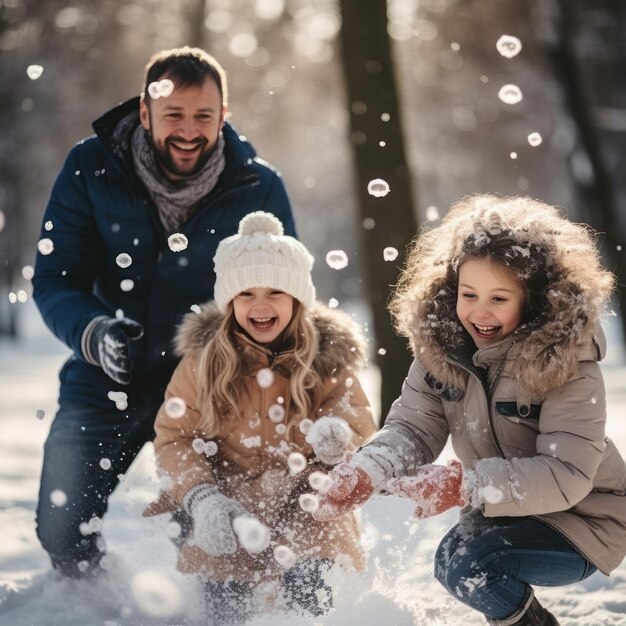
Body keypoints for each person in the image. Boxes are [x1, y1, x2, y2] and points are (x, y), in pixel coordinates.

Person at [32, 47, 296, 579]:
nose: (188, 131)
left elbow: (284, 294)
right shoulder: (91, 167)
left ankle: (209, 603)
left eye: (203, 116)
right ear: (145, 112)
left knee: (220, 527)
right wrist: (93, 331)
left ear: (224, 116)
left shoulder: (258, 185)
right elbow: (57, 276)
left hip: (211, 384)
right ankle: (85, 598)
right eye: (173, 115)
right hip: (107, 371)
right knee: (60, 527)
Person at [313, 194, 626, 626]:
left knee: (469, 565)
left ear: (534, 301)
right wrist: (372, 467)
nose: (479, 311)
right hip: (505, 508)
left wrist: (468, 485)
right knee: (452, 563)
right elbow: (413, 428)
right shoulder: (443, 352)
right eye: (469, 294)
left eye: (499, 298)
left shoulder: (565, 363)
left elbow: (567, 475)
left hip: (584, 519)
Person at [143, 211, 376, 623]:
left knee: (309, 596)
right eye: (246, 293)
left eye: (275, 292)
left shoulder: (326, 358)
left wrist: (337, 435)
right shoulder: (203, 363)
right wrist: (203, 498)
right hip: (229, 505)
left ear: (297, 299)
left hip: (309, 501)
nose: (261, 305)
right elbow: (174, 438)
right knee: (224, 609)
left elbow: (355, 418)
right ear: (230, 302)